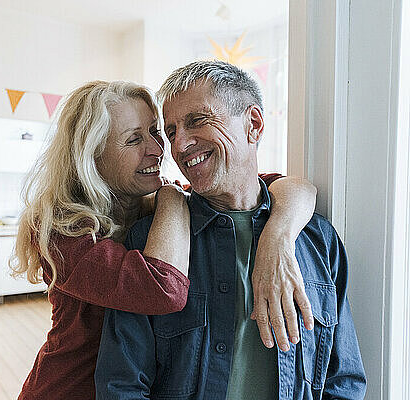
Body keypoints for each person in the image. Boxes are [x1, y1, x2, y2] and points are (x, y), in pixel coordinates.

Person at [13, 80, 317, 400]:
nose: (158, 149)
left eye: (156, 132)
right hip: (70, 390)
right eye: (134, 139)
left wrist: (278, 239)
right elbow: (161, 291)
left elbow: (287, 188)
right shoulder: (62, 231)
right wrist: (171, 196)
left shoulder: (151, 211)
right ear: (93, 156)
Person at [95, 61, 366, 400]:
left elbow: (344, 381)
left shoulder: (318, 240)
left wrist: (276, 237)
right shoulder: (149, 241)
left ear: (253, 124)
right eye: (172, 132)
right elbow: (121, 386)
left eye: (198, 121)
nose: (179, 147)